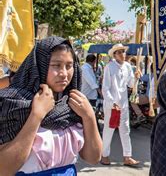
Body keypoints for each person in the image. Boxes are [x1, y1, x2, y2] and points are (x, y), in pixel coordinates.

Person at [0, 37, 102, 175]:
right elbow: (4, 169)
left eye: (69, 66)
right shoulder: (14, 104)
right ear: (40, 65)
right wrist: (36, 116)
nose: (64, 74)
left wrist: (89, 116)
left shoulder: (73, 105)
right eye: (56, 65)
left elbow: (93, 158)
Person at [100, 44, 141, 166]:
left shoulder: (128, 66)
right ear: (114, 55)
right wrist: (112, 103)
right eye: (119, 52)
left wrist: (136, 78)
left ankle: (127, 156)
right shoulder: (109, 67)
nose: (123, 54)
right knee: (109, 129)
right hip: (111, 105)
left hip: (123, 104)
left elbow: (131, 85)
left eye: (123, 52)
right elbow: (105, 88)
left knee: (125, 130)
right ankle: (104, 155)